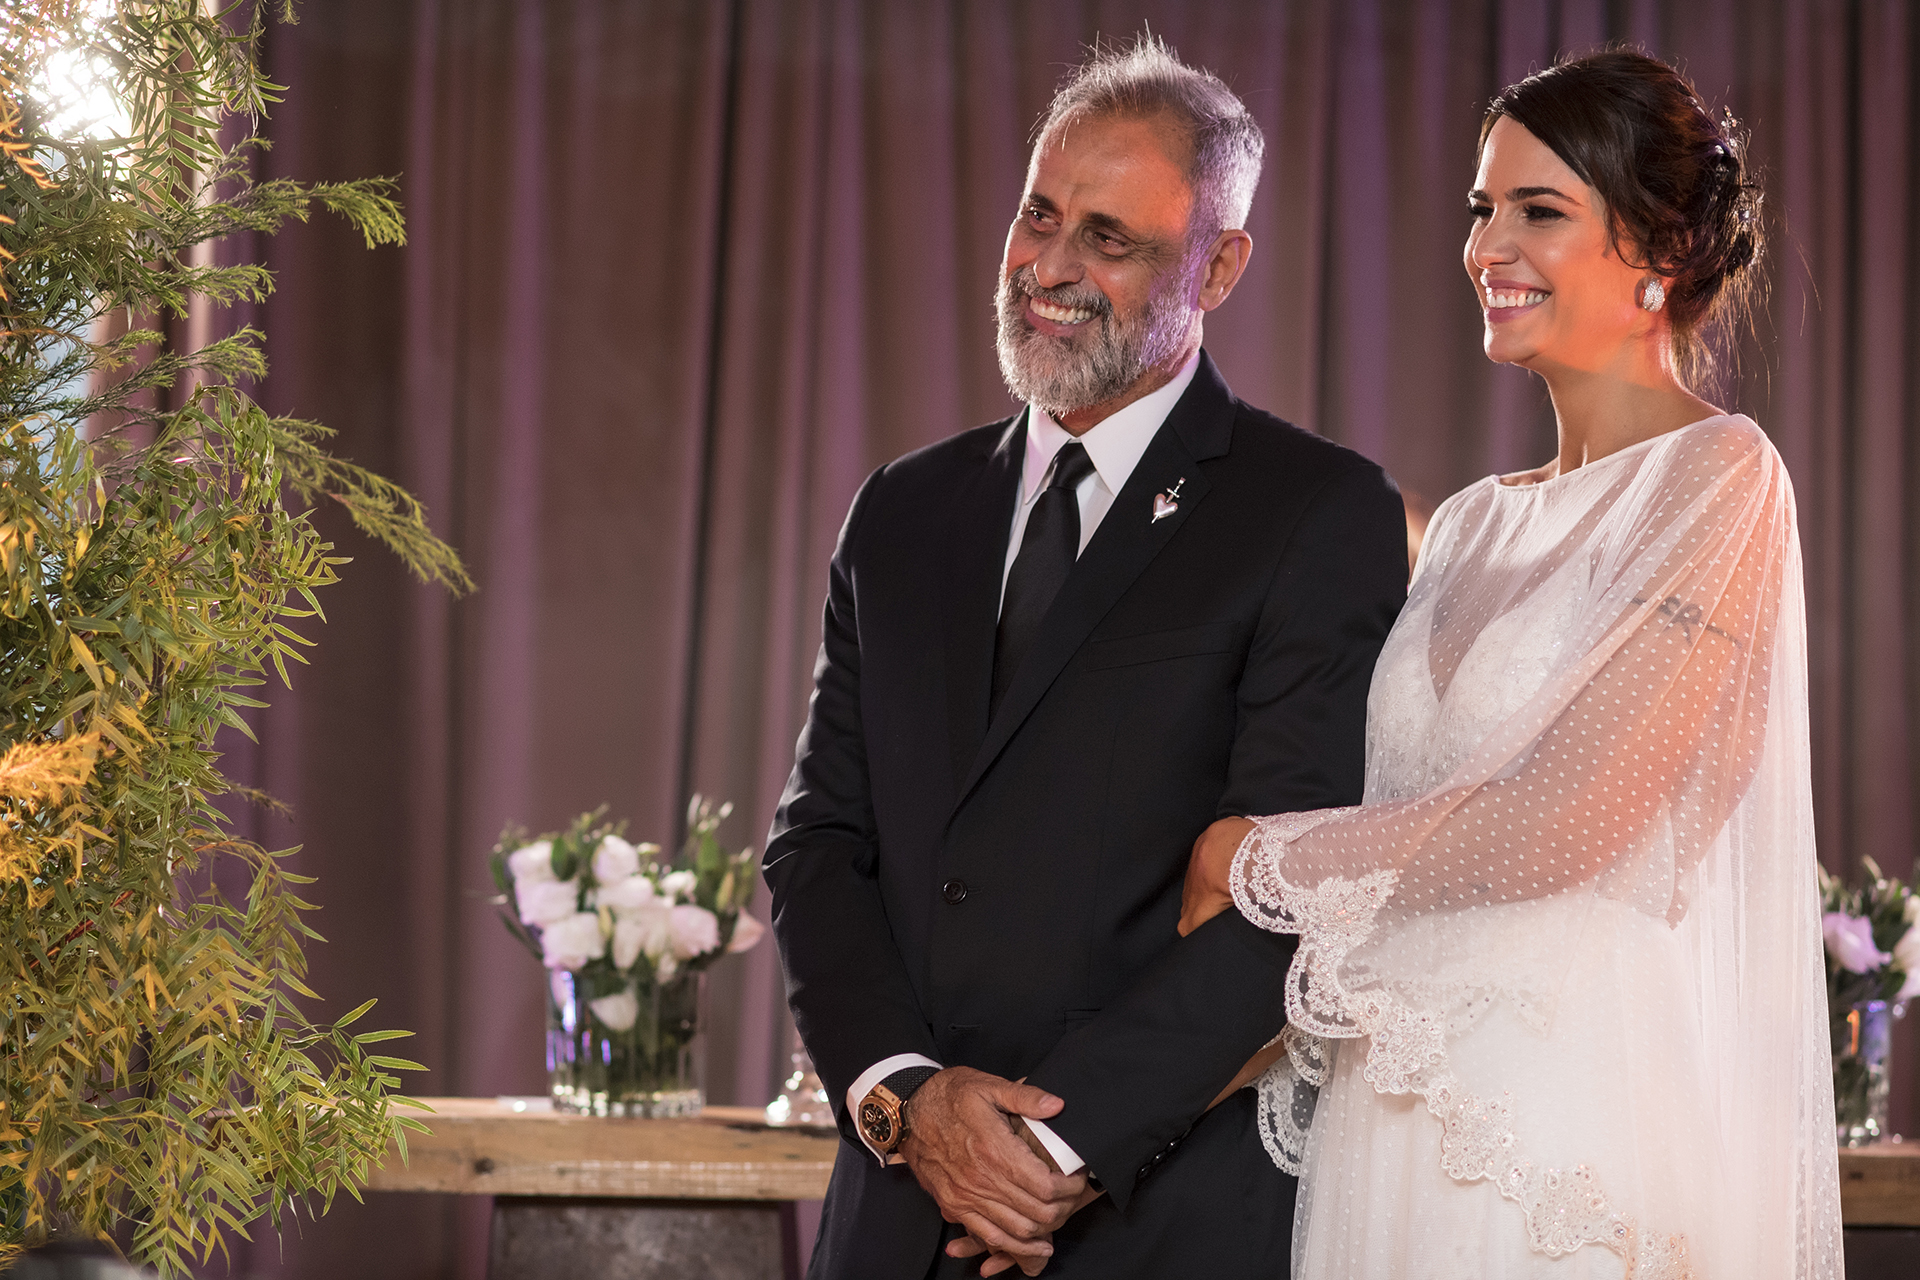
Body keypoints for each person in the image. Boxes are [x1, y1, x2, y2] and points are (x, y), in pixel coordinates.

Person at [1182, 49, 1843, 1279]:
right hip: (1391, 1106)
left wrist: (1247, 854)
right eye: (1483, 207)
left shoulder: (1722, 479)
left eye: (1541, 210)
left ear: (1660, 253)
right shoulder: (1472, 520)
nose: (1490, 243)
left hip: (1558, 1127)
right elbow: (1397, 822)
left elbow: (1572, 817)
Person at [763, 37, 1408, 1280]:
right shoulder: (900, 509)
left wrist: (1048, 1155)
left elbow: (1294, 894)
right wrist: (910, 1096)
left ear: (1219, 265)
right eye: (1039, 215)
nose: (1049, 268)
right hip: (894, 1217)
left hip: (1147, 1220)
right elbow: (819, 843)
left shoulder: (1314, 511)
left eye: (1110, 239)